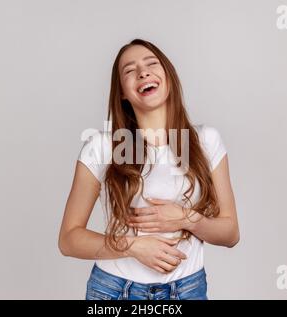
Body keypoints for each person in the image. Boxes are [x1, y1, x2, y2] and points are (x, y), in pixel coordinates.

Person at [58, 39, 239, 300]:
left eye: (152, 64)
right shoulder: (102, 146)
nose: (143, 72)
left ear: (168, 76)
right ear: (122, 92)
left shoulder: (206, 140)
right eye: (130, 70)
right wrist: (133, 247)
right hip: (115, 290)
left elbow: (231, 233)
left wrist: (186, 219)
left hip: (188, 290)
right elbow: (69, 239)